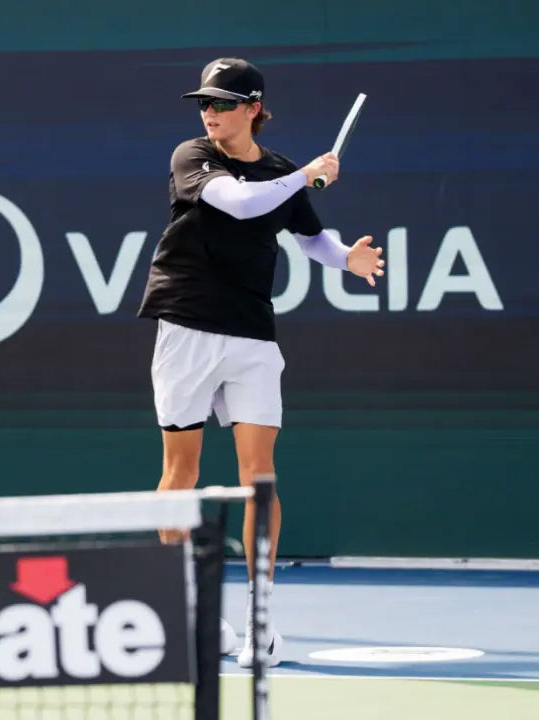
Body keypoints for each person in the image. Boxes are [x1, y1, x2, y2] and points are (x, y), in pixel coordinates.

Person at [137, 59, 384, 667]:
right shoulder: (193, 155)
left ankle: (261, 620)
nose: (209, 113)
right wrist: (307, 176)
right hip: (186, 324)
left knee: (259, 478)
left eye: (221, 103)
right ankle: (187, 611)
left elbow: (308, 238)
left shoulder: (278, 171)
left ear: (253, 107)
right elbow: (239, 205)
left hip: (250, 336)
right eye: (204, 102)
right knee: (181, 472)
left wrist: (344, 258)